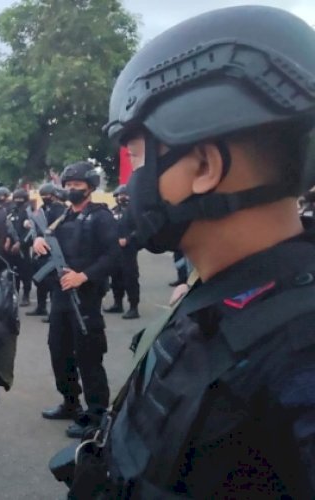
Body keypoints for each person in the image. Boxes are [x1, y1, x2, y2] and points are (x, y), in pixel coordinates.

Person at [60, 6, 315, 498]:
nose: (129, 184)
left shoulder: (299, 352)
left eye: (137, 156)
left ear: (203, 166)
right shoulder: (224, 297)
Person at [33, 162, 119, 438]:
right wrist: (38, 242)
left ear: (90, 188)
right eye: (68, 185)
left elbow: (113, 256)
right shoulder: (63, 217)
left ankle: (96, 414)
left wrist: (83, 276)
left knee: (89, 356)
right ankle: (70, 402)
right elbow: (48, 244)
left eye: (77, 185)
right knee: (59, 351)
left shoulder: (101, 217)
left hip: (86, 297)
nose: (72, 189)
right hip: (61, 295)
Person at [26, 183, 67, 318]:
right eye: (42, 196)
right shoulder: (42, 209)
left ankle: (53, 313)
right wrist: (36, 236)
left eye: (47, 195)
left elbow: (59, 228)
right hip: (41, 249)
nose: (45, 198)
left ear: (54, 195)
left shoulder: (60, 209)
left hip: (54, 248)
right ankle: (41, 306)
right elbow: (37, 227)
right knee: (41, 281)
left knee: (53, 281)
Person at [103, 185, 141, 319]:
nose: (121, 198)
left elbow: (141, 229)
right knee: (116, 278)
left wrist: (128, 239)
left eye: (124, 195)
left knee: (130, 278)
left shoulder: (135, 212)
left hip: (128, 250)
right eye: (119, 195)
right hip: (114, 251)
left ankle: (134, 307)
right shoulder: (113, 211)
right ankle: (117, 303)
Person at [8, 188, 33, 306]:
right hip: (12, 248)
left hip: (23, 249)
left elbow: (31, 232)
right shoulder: (12, 211)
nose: (18, 201)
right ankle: (15, 295)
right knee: (14, 274)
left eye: (20, 199)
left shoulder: (29, 212)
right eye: (16, 198)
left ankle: (26, 296)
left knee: (26, 274)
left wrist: (21, 243)